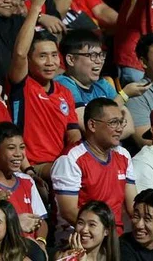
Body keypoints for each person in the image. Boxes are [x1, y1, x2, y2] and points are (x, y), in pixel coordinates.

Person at [5, 0, 82, 178]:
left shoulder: (64, 92)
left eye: (54, 55)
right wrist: (36, 8)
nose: (50, 62)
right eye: (42, 56)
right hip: (30, 166)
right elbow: (20, 52)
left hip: (60, 165)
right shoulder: (22, 84)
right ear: (29, 61)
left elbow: (73, 133)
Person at [51, 98, 136, 238]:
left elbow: (132, 205)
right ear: (92, 125)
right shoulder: (71, 159)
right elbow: (69, 211)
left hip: (115, 238)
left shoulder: (123, 155)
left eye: (121, 122)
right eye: (113, 123)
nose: (120, 128)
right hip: (79, 239)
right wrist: (103, 236)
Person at [55, 29, 137, 132]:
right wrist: (123, 95)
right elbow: (87, 125)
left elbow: (129, 128)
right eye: (92, 56)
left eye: (101, 55)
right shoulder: (63, 84)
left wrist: (106, 133)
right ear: (71, 59)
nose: (99, 61)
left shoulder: (102, 84)